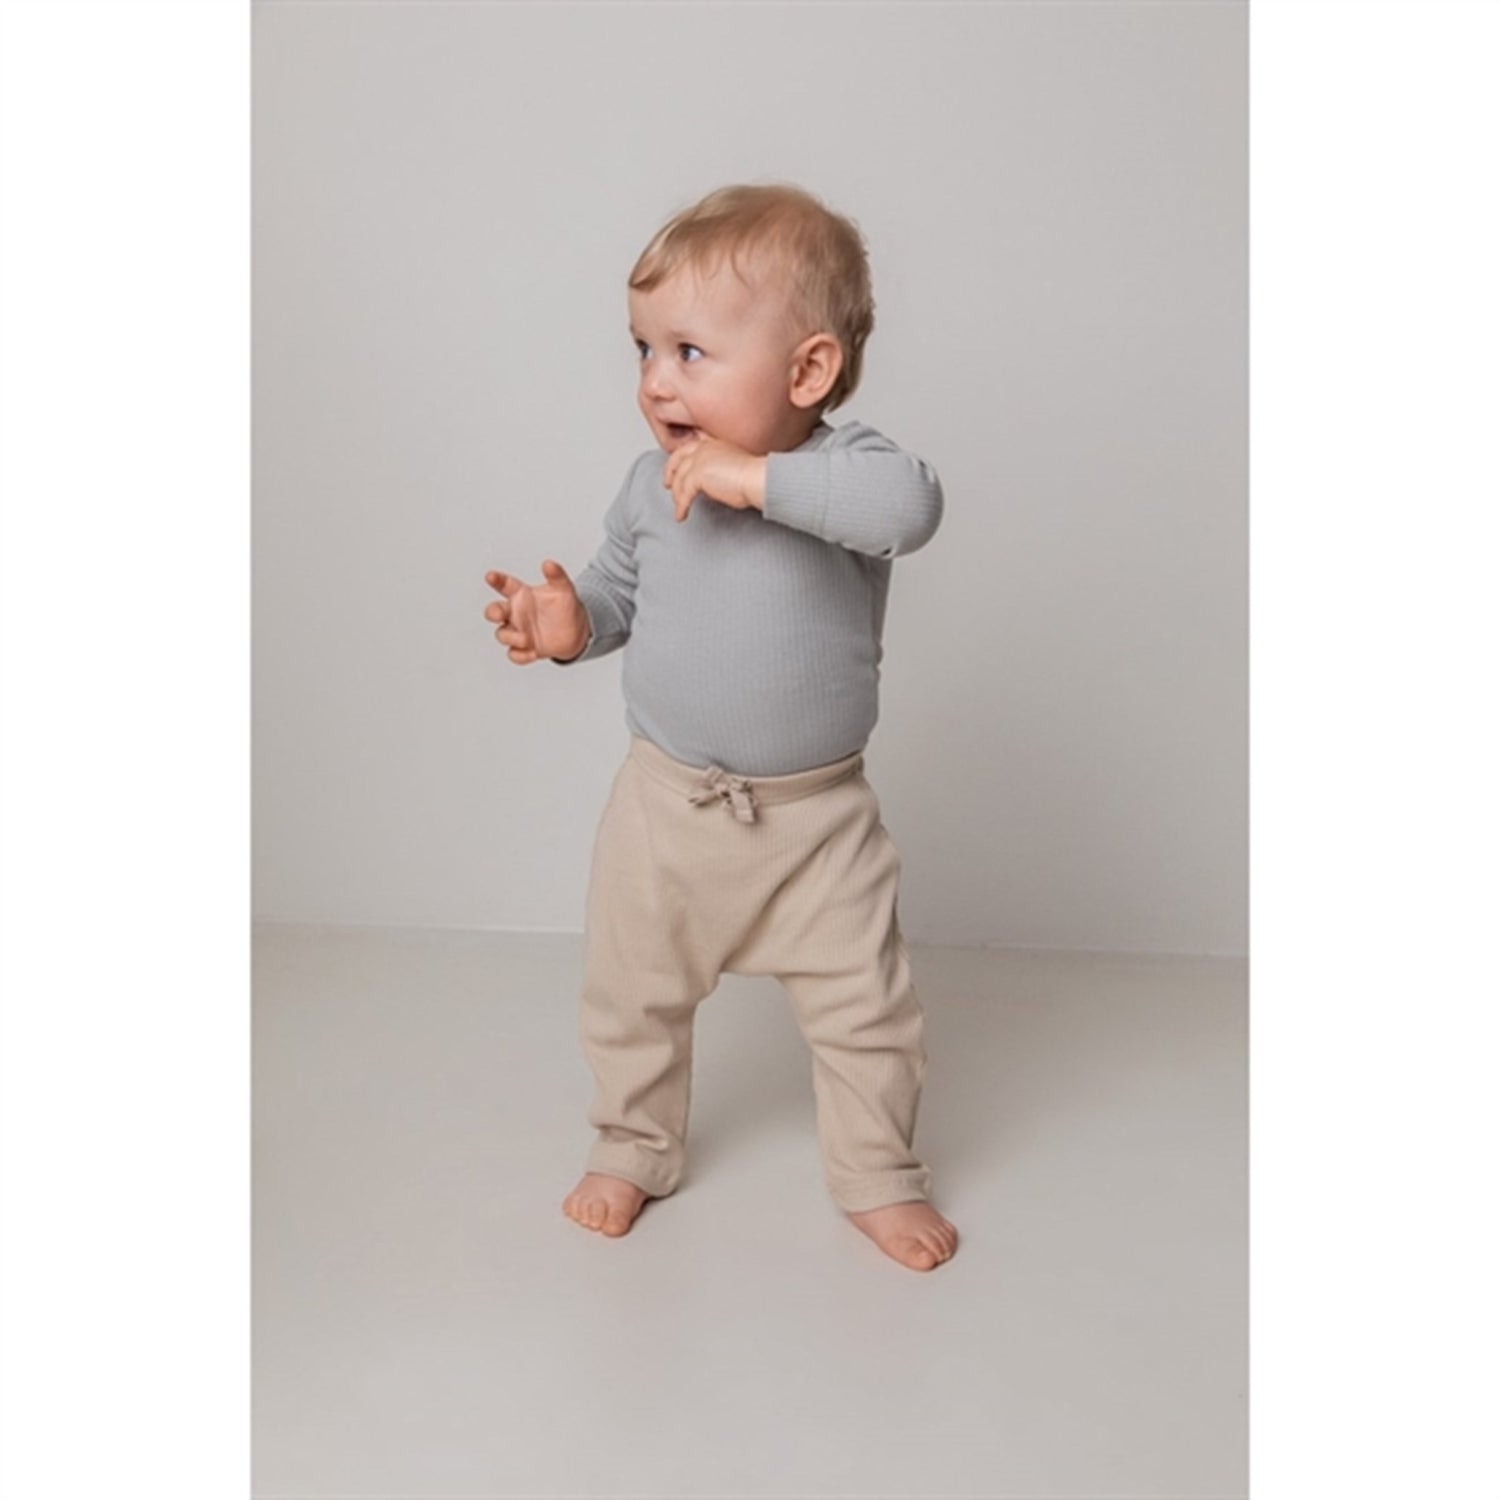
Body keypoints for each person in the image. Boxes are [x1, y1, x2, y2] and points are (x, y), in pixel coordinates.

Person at [482, 183, 958, 1271]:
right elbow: (618, 592)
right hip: (668, 809)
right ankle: (632, 1145)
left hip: (817, 826)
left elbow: (912, 512)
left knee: (867, 1015)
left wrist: (755, 479)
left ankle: (877, 1172)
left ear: (808, 371)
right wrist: (568, 623)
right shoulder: (649, 488)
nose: (656, 381)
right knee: (630, 995)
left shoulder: (849, 475)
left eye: (690, 352)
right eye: (644, 350)